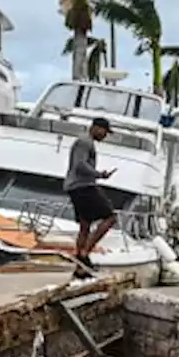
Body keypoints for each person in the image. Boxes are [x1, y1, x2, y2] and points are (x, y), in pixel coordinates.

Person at [64, 117, 117, 276]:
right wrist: (99, 174)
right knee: (110, 217)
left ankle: (80, 264)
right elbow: (80, 165)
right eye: (104, 132)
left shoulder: (85, 141)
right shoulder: (85, 142)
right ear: (96, 128)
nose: (105, 136)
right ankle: (85, 253)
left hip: (75, 186)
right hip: (83, 186)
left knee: (85, 225)